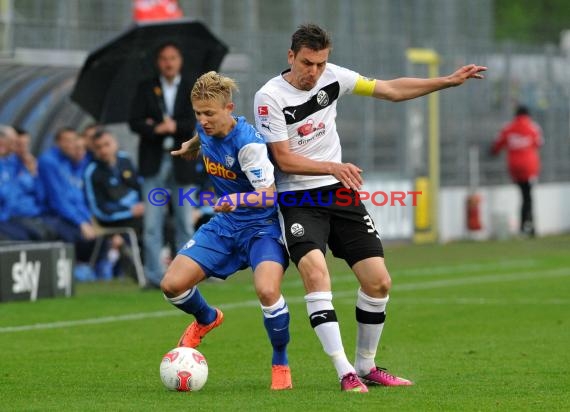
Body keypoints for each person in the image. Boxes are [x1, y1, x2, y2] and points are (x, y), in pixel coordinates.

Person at [253, 23, 486, 392]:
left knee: (379, 282)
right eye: (307, 63)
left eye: (320, 63)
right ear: (291, 56)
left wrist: (446, 81)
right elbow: (283, 159)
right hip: (298, 198)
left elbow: (390, 90)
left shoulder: (334, 77)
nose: (313, 72)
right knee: (316, 273)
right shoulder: (269, 97)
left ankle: (366, 366)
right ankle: (344, 370)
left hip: (339, 192)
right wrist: (332, 165)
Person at [162, 71, 292, 390]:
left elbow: (269, 194)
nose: (203, 120)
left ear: (229, 108)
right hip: (225, 225)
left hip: (261, 229)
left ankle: (281, 362)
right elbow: (202, 137)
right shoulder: (204, 127)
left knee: (266, 290)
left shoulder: (248, 145)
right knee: (171, 284)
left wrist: (236, 198)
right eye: (198, 114)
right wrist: (191, 145)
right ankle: (207, 318)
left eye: (209, 114)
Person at [129, 41, 204, 288]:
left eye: (173, 57)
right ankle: (153, 276)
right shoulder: (146, 87)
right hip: (154, 163)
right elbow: (135, 121)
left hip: (181, 163)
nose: (168, 63)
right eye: (164, 58)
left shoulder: (192, 87)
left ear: (179, 60)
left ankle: (187, 275)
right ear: (158, 62)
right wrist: (156, 128)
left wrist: (177, 126)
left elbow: (199, 118)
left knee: (184, 220)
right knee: (153, 223)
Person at [84, 129, 145, 279]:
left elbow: (140, 186)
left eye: (107, 144)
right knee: (149, 226)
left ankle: (173, 270)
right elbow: (98, 210)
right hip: (111, 219)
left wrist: (146, 204)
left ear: (115, 143)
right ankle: (142, 270)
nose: (104, 150)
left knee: (165, 222)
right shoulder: (92, 172)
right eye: (99, 147)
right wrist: (130, 211)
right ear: (94, 149)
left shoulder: (125, 160)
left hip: (138, 212)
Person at [491, 105, 543, 237]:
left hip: (514, 167)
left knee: (524, 195)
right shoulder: (533, 127)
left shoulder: (508, 127)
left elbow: (497, 145)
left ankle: (525, 226)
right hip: (529, 167)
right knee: (528, 197)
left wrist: (493, 152)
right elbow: (539, 143)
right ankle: (528, 226)